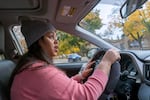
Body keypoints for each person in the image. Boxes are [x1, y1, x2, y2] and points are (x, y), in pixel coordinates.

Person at [9, 19, 121, 100]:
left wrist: (80, 76)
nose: (56, 41)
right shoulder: (39, 72)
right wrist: (106, 63)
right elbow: (87, 95)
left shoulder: (31, 68)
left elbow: (56, 89)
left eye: (56, 37)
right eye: (51, 37)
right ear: (37, 41)